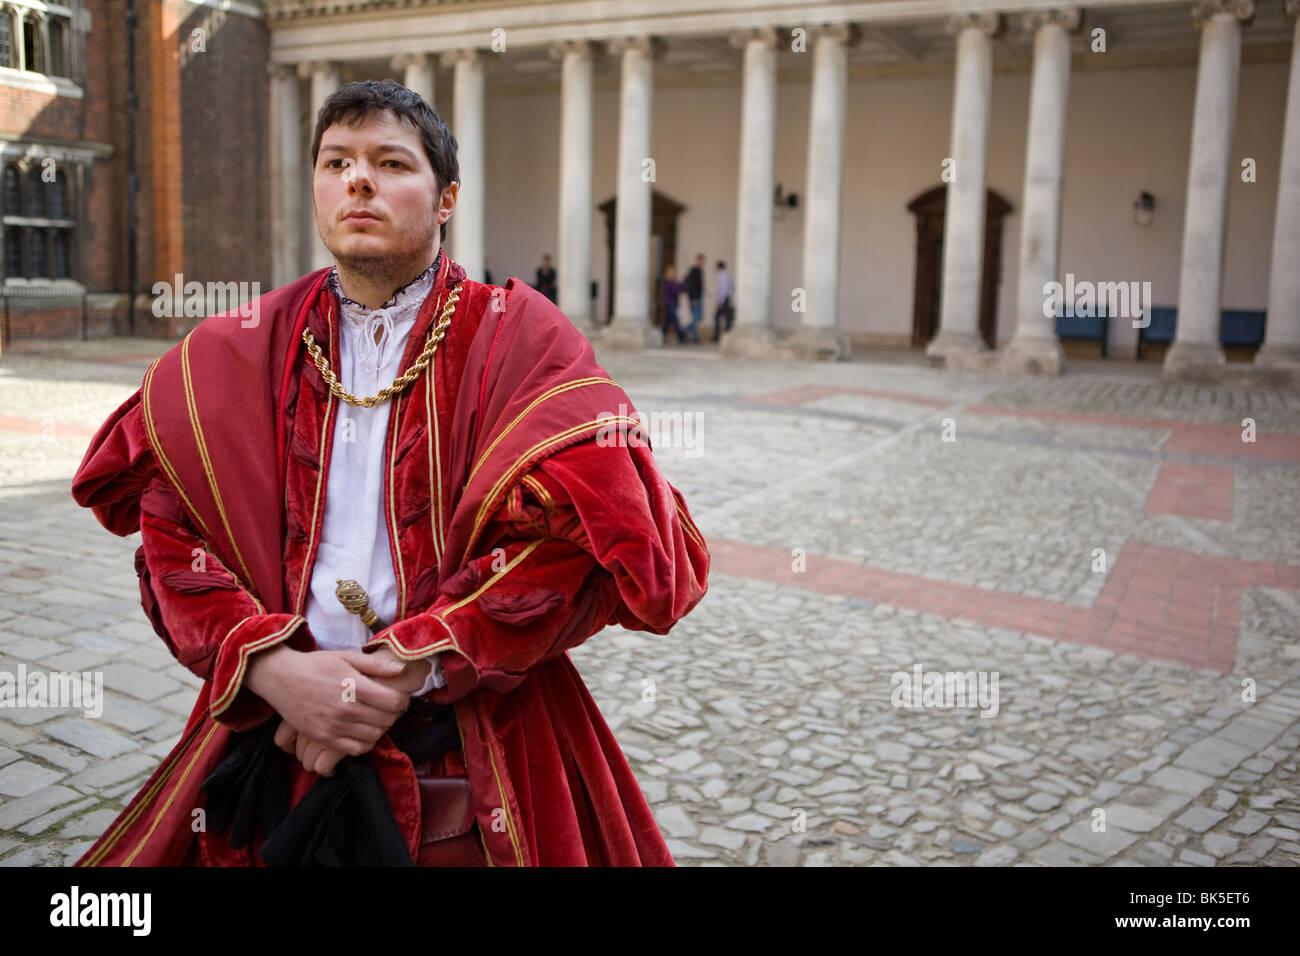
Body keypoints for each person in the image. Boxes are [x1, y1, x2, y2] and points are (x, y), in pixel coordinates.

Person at [69, 79, 710, 867]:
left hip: (471, 742)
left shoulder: (520, 338)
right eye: (336, 161)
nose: (358, 180)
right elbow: (172, 535)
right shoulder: (236, 348)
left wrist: (419, 660)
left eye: (389, 162)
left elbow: (585, 546)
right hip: (278, 735)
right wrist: (268, 666)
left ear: (446, 199)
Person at [682, 253, 706, 344]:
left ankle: (692, 335)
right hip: (695, 298)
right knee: (696, 318)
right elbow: (691, 285)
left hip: (697, 297)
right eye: (700, 260)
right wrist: (693, 298)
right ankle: (685, 331)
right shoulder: (694, 270)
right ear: (697, 260)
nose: (701, 262)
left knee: (698, 318)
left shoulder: (699, 270)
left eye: (702, 261)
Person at [660, 264, 687, 345]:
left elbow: (680, 289)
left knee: (668, 321)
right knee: (676, 321)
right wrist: (680, 288)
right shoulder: (667, 282)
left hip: (674, 303)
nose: (673, 273)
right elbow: (674, 291)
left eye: (674, 272)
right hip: (669, 303)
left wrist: (683, 286)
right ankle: (681, 337)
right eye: (672, 272)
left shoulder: (673, 282)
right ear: (668, 273)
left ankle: (662, 335)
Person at [713, 260, 734, 342]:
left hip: (723, 299)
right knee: (727, 318)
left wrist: (720, 301)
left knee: (717, 317)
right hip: (727, 298)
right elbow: (732, 287)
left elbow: (722, 289)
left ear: (719, 267)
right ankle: (727, 336)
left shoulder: (722, 276)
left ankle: (717, 336)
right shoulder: (727, 275)